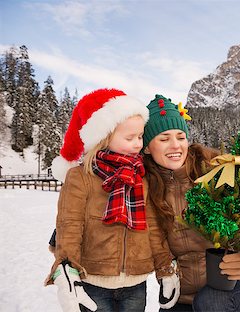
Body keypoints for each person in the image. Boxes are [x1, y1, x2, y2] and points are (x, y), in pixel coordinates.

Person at [45, 88, 179, 312]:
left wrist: (165, 266)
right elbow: (70, 225)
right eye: (130, 138)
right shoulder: (80, 177)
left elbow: (153, 229)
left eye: (139, 137)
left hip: (136, 285)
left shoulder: (141, 176)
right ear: (104, 136)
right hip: (93, 281)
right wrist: (67, 268)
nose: (138, 144)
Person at [142, 94, 240, 312]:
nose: (175, 145)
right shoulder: (144, 188)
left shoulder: (216, 170)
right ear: (147, 147)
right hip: (181, 297)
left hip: (229, 288)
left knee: (210, 302)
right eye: (164, 139)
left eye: (181, 137)